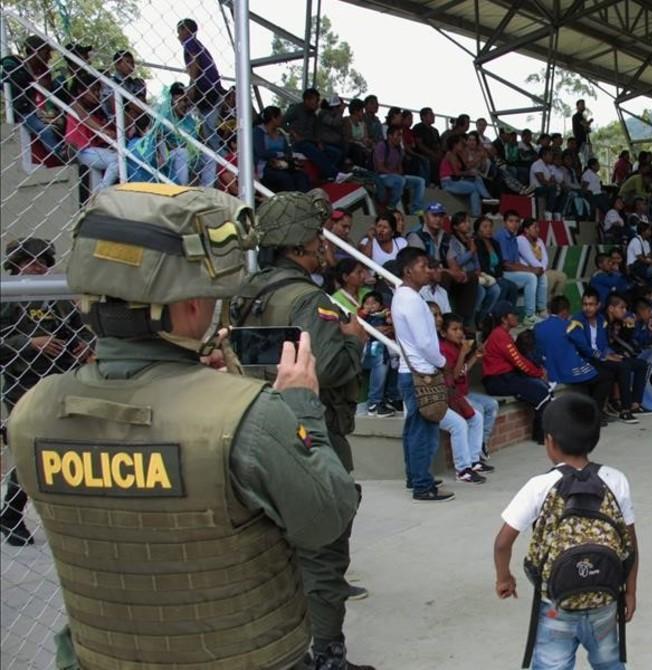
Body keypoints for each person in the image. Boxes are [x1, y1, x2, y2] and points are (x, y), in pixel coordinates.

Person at [7, 185, 359, 669]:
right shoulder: (248, 417)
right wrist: (301, 408)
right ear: (192, 306)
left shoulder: (32, 413)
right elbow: (325, 520)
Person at [231, 192, 373, 667]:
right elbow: (329, 366)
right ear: (299, 247)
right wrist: (353, 341)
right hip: (309, 432)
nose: (323, 247)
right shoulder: (309, 299)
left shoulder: (247, 291)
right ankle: (328, 653)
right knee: (324, 547)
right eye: (317, 238)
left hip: (251, 422)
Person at [493, 393, 638, 670]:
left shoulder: (540, 485)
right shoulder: (616, 480)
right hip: (604, 601)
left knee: (551, 665)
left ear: (550, 442)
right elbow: (630, 545)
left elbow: (502, 543)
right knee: (609, 664)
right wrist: (629, 592)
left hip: (555, 605)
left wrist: (504, 577)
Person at [0, 239, 92, 547]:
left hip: (63, 381)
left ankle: (68, 517)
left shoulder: (58, 296)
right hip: (23, 385)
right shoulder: (8, 298)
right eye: (28, 261)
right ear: (15, 265)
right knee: (33, 451)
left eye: (42, 261)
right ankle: (11, 515)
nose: (37, 267)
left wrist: (84, 344)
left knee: (69, 450)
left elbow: (81, 328)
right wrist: (30, 343)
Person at [386, 248, 454, 502]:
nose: (428, 270)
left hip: (411, 370)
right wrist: (443, 362)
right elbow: (425, 343)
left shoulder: (404, 296)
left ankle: (415, 477)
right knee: (423, 430)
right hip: (421, 372)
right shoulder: (411, 300)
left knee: (414, 427)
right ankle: (422, 485)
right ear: (408, 270)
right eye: (423, 266)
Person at [535, 297, 615, 426]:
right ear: (565, 311)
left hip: (550, 370)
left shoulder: (538, 327)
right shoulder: (570, 326)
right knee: (606, 376)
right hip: (569, 370)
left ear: (550, 310)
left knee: (590, 377)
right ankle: (595, 415)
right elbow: (584, 347)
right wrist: (601, 356)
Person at [571, 289, 648, 424]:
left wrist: (611, 354)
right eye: (585, 304)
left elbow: (604, 344)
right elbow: (583, 347)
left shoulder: (601, 320)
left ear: (598, 305)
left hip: (600, 358)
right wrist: (604, 356)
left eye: (591, 304)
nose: (587, 308)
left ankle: (630, 405)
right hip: (586, 360)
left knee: (629, 363)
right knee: (622, 366)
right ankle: (625, 410)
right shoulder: (577, 320)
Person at [481, 301, 551, 443]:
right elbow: (519, 362)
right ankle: (541, 436)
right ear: (504, 319)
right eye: (514, 314)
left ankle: (545, 433)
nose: (517, 316)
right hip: (498, 380)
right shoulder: (499, 335)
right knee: (541, 392)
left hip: (506, 377)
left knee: (544, 389)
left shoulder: (503, 333)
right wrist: (538, 373)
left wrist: (537, 373)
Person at [438, 312, 493, 484]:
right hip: (445, 397)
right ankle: (463, 469)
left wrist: (474, 357)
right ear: (443, 333)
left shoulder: (455, 346)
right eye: (454, 329)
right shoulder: (443, 348)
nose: (460, 333)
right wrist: (463, 352)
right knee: (464, 422)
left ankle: (473, 461)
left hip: (458, 395)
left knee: (477, 417)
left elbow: (462, 372)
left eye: (460, 329)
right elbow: (453, 377)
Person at [1, 36, 64, 158]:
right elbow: (8, 79)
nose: (49, 57)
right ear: (35, 51)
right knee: (44, 130)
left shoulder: (44, 71)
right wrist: (33, 81)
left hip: (43, 110)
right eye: (46, 53)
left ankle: (69, 151)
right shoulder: (14, 62)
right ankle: (61, 154)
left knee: (62, 122)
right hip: (24, 111)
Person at [177, 19, 226, 168]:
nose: (178, 35)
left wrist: (192, 85)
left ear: (187, 30)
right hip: (212, 88)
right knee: (207, 128)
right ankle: (220, 161)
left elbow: (194, 62)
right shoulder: (199, 45)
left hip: (205, 89)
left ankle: (225, 161)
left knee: (209, 129)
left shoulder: (190, 42)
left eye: (180, 31)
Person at [65, 77, 119, 188]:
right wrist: (103, 130)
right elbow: (84, 117)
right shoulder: (74, 104)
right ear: (81, 91)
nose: (97, 94)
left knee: (119, 159)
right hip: (80, 149)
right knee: (117, 160)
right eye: (93, 90)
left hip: (91, 149)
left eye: (98, 91)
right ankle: (100, 193)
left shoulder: (95, 111)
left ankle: (100, 191)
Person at [496, 210, 547, 324]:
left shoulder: (513, 237)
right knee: (531, 277)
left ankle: (542, 310)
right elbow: (506, 264)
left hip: (510, 271)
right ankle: (529, 316)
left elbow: (516, 263)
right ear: (504, 222)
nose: (514, 224)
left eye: (517, 221)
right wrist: (531, 270)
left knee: (540, 275)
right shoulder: (501, 235)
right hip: (501, 273)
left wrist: (533, 270)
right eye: (511, 221)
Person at [285, 88, 343, 181]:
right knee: (313, 150)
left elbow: (316, 131)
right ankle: (336, 175)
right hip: (299, 143)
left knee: (335, 153)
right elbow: (283, 121)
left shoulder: (314, 115)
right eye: (316, 101)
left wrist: (319, 142)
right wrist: (293, 133)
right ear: (307, 100)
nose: (317, 104)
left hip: (312, 141)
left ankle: (326, 176)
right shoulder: (296, 109)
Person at [254, 105, 311, 192]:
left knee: (301, 176)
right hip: (266, 166)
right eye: (280, 117)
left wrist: (285, 156)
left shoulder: (280, 132)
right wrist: (279, 154)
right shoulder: (258, 132)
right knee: (285, 178)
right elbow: (261, 153)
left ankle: (304, 201)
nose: (282, 119)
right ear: (273, 118)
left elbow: (288, 151)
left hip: (283, 164)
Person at [374, 125, 427, 213]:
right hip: (383, 176)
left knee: (420, 181)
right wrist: (394, 174)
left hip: (397, 177)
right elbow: (380, 167)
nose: (400, 138)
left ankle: (416, 209)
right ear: (390, 136)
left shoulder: (399, 149)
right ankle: (391, 206)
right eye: (398, 135)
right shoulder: (382, 146)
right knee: (400, 180)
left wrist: (399, 173)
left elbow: (400, 167)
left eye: (401, 135)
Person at [475, 215, 520, 314]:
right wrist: (495, 277)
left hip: (497, 275)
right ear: (478, 229)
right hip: (485, 275)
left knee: (512, 286)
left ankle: (509, 314)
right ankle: (495, 316)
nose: (488, 229)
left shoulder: (495, 243)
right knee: (503, 286)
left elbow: (499, 263)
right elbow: (482, 264)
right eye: (485, 227)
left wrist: (498, 276)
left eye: (490, 226)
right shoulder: (476, 242)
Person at [518, 218, 566, 302]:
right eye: (535, 227)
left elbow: (545, 258)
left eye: (538, 227)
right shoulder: (520, 240)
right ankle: (542, 307)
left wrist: (542, 269)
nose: (538, 230)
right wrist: (542, 270)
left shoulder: (539, 240)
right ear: (526, 230)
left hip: (541, 270)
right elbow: (531, 260)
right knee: (548, 277)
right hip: (529, 271)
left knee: (562, 276)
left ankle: (555, 305)